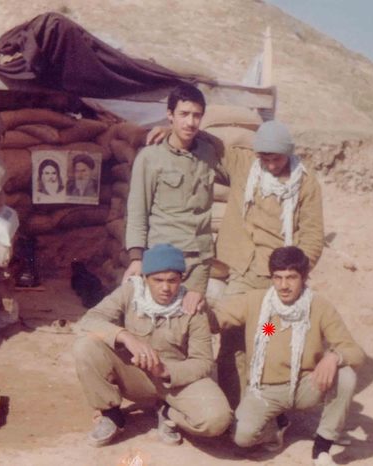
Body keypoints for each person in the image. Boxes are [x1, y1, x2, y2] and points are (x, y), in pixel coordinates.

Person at [211, 246, 365, 465]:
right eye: (278, 277)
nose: (284, 285)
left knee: (346, 376)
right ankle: (276, 427)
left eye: (291, 277)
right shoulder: (256, 301)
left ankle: (322, 447)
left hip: (305, 384)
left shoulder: (319, 306)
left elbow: (354, 351)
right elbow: (217, 319)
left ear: (304, 277)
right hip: (265, 390)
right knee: (241, 437)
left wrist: (333, 357)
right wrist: (197, 307)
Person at [73, 243, 232, 447]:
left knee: (217, 420)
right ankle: (111, 415)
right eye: (158, 280)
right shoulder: (130, 292)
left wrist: (165, 371)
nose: (165, 288)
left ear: (181, 279)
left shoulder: (193, 306)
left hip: (176, 382)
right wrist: (125, 336)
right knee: (86, 346)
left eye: (172, 280)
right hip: (134, 375)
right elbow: (90, 320)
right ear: (145, 278)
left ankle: (169, 412)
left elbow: (203, 362)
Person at [214, 120, 324, 410]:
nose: (271, 165)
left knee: (266, 338)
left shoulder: (305, 184)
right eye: (265, 158)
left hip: (275, 279)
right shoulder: (244, 165)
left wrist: (292, 276)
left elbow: (313, 237)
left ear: (288, 153)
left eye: (277, 159)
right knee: (232, 341)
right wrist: (169, 131)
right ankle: (232, 408)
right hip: (241, 272)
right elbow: (208, 145)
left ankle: (266, 409)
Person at [123, 84, 228, 314]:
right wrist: (136, 258)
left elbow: (235, 169)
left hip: (199, 261)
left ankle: (265, 332)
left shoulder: (208, 154)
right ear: (169, 115)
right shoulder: (150, 157)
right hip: (164, 260)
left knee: (193, 320)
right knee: (157, 321)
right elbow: (138, 211)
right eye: (184, 114)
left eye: (197, 115)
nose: (190, 122)